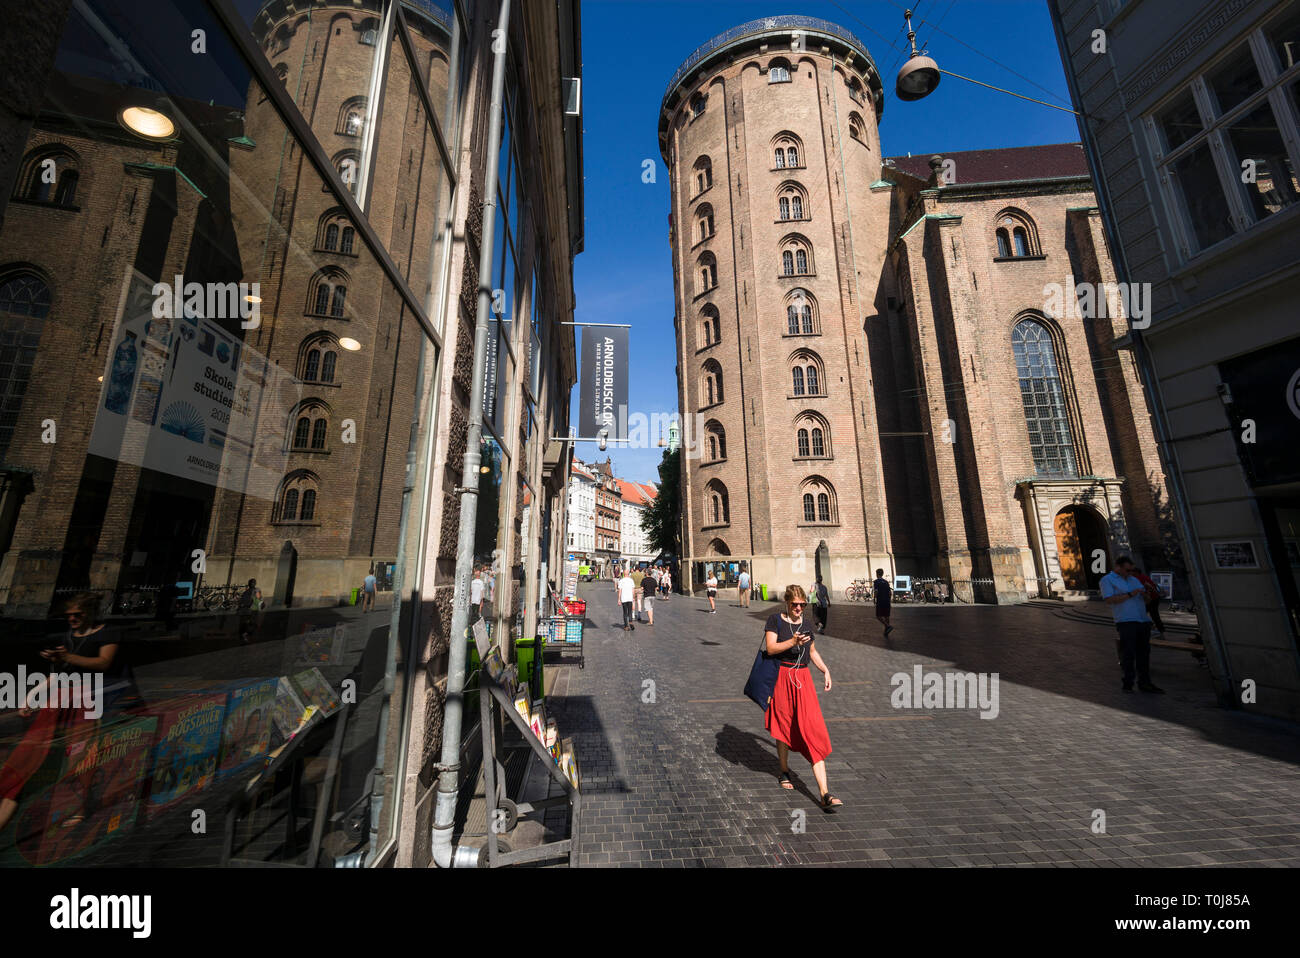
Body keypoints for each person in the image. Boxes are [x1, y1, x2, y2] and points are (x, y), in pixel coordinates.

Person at [0, 593, 141, 832]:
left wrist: (67, 657)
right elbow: (57, 674)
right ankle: (11, 796)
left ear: (91, 613)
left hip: (91, 700)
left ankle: (81, 807)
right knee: (30, 752)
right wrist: (31, 696)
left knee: (81, 755)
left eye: (78, 614)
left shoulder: (108, 633)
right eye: (69, 616)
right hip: (62, 699)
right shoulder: (68, 637)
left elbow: (103, 663)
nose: (73, 619)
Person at [763, 585, 842, 811]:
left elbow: (813, 651)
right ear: (787, 604)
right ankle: (784, 771)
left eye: (802, 605)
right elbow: (770, 648)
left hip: (803, 680)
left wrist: (825, 670)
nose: (798, 608)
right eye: (794, 605)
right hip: (782, 678)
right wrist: (792, 642)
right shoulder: (775, 620)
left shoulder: (807, 624)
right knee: (783, 726)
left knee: (813, 729)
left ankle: (825, 793)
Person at [1100, 556, 1164, 693]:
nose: (1130, 573)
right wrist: (1130, 594)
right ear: (1118, 567)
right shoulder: (1107, 580)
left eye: (1132, 570)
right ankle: (1128, 683)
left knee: (1144, 653)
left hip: (1142, 619)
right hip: (1125, 620)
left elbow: (1146, 601)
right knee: (1128, 653)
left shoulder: (1134, 580)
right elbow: (1109, 600)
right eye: (1127, 570)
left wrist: (1148, 594)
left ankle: (1145, 683)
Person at [1133, 567, 1166, 636]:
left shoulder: (1139, 578)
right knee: (1152, 614)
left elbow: (1149, 586)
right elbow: (1152, 585)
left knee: (1149, 614)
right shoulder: (1143, 576)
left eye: (1133, 572)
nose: (1131, 574)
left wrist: (1150, 595)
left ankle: (1156, 628)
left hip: (1152, 599)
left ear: (1136, 572)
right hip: (1154, 598)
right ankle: (1158, 629)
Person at [237, 577, 264, 643]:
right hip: (249, 610)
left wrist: (261, 603)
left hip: (253, 610)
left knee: (252, 624)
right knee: (250, 624)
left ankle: (245, 635)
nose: (252, 584)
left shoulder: (254, 591)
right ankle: (245, 635)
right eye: (252, 582)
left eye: (253, 582)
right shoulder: (247, 592)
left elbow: (259, 599)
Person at [873, 568, 893, 636]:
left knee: (878, 616)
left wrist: (874, 598)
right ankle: (886, 631)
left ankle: (887, 626)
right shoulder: (886, 582)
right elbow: (890, 592)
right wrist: (889, 600)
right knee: (886, 616)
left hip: (880, 601)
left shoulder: (876, 582)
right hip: (887, 601)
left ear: (877, 574)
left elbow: (876, 591)